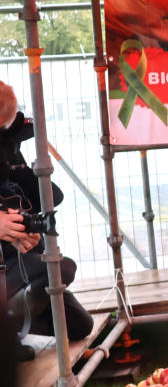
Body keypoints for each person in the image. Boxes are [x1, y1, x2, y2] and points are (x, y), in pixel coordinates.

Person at [0, 81, 92, 361]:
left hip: (21, 263)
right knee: (59, 267)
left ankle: (18, 322)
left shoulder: (7, 158)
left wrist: (14, 155)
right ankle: (8, 334)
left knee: (80, 326)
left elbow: (51, 197)